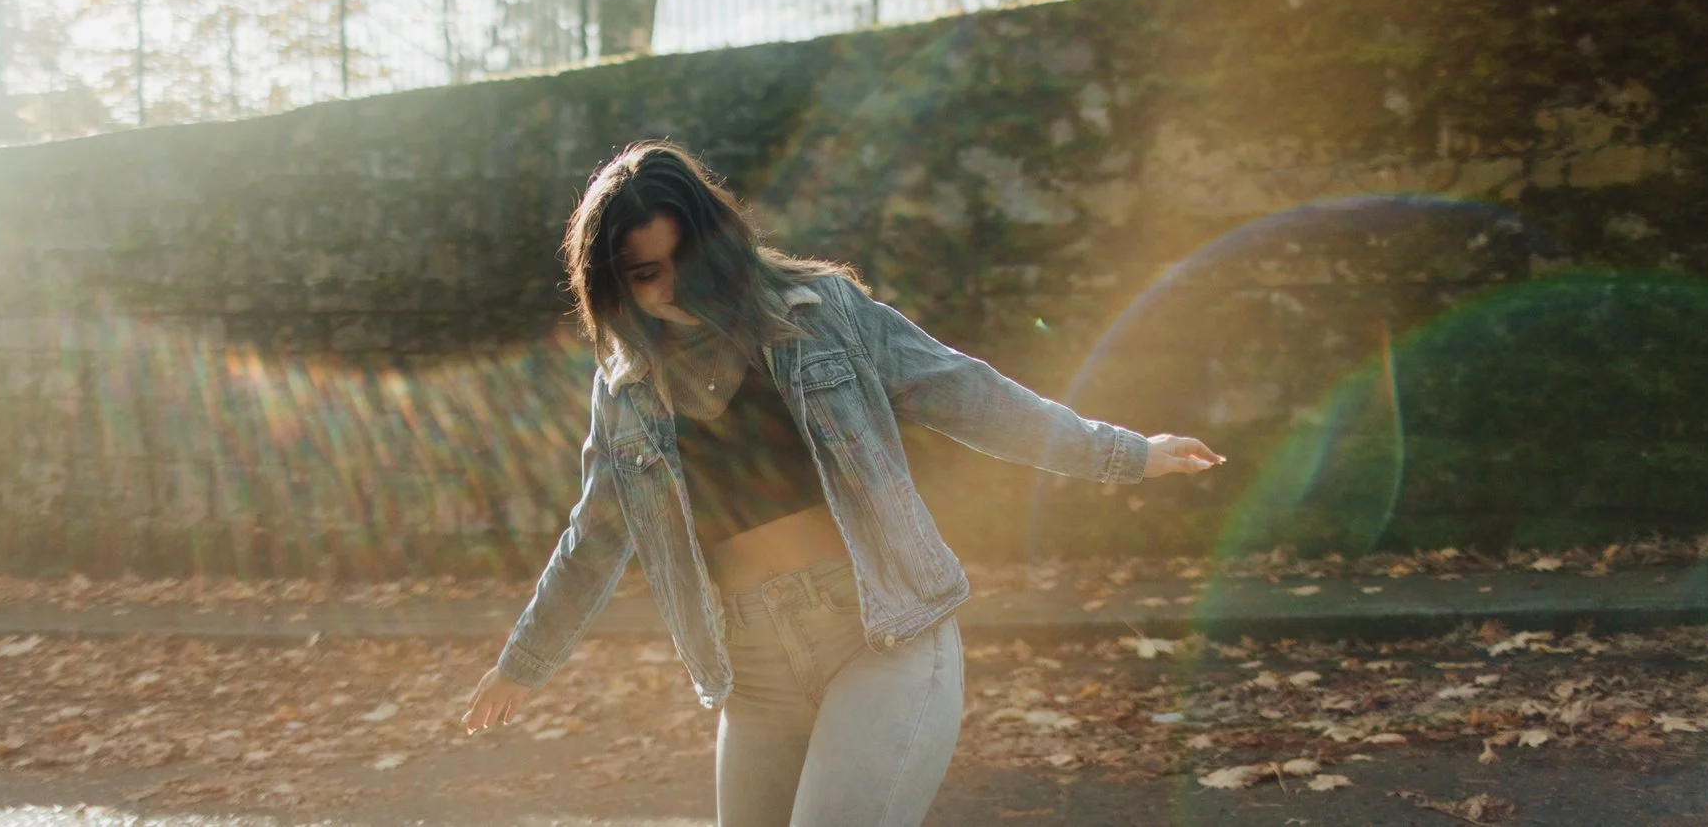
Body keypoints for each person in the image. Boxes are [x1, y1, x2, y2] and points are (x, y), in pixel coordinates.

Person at [462, 140, 1223, 826]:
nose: (674, 288)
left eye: (687, 262)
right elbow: (594, 536)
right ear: (614, 284)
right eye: (647, 276)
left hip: (882, 634)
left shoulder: (822, 313)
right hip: (754, 672)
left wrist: (1125, 452)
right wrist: (523, 663)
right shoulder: (626, 387)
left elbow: (972, 395)